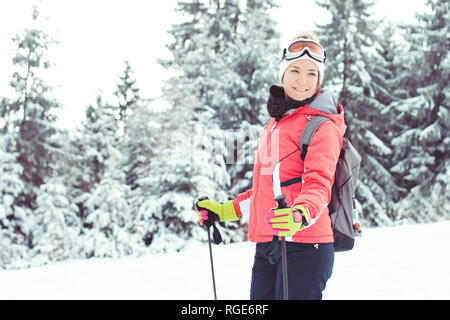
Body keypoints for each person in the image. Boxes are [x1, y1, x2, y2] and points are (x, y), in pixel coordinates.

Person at [194, 32, 346, 300]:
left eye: (312, 73)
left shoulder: (323, 125)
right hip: (270, 245)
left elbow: (320, 183)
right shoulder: (275, 125)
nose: (303, 79)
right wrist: (224, 210)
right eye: (295, 70)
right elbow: (264, 188)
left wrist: (299, 214)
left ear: (320, 79)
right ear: (283, 73)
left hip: (305, 244)